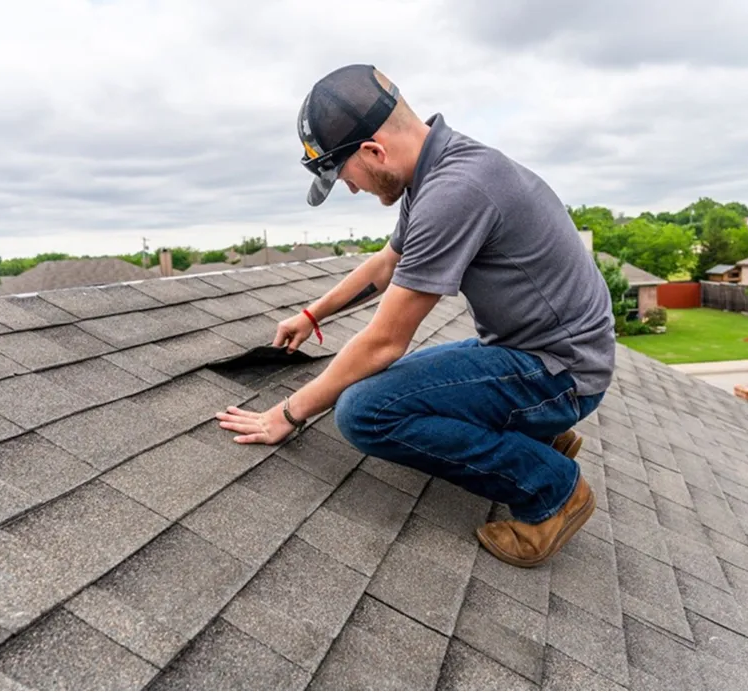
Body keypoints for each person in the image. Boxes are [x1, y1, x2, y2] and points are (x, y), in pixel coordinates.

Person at [216, 64, 616, 568]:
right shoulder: (437, 169)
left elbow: (385, 343)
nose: (354, 189)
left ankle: (551, 488)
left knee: (363, 410)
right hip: (542, 353)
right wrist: (311, 314)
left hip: (560, 373)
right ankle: (537, 432)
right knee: (394, 384)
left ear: (373, 151)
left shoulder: (455, 192)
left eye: (346, 177)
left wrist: (286, 414)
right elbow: (387, 265)